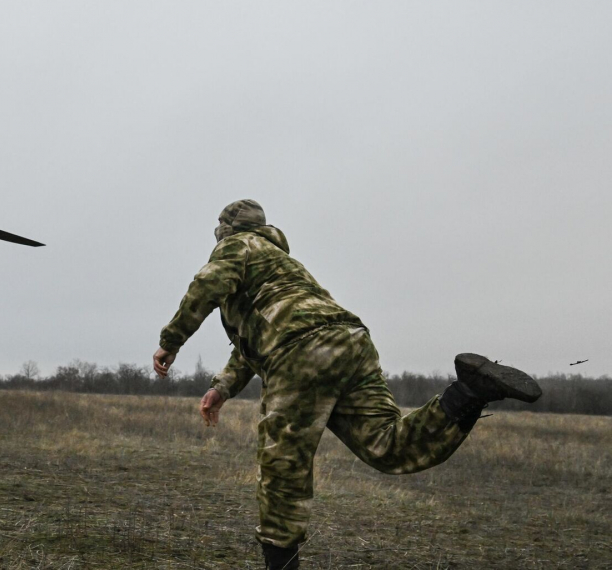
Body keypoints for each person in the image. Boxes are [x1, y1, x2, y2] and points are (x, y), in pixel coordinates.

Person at [152, 199, 542, 570]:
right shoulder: (285, 267)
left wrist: (171, 341)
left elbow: (208, 283)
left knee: (282, 467)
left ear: (225, 230)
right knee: (387, 445)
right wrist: (222, 387)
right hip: (350, 341)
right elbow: (257, 338)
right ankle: (469, 392)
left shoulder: (238, 245)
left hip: (299, 351)